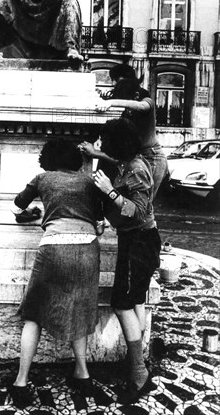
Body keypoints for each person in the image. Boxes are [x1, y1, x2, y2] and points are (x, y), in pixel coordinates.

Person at [9, 138, 104, 408]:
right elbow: (98, 225)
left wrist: (36, 214)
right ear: (75, 158)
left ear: (47, 158)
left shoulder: (42, 179)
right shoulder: (88, 182)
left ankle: (21, 381)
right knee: (81, 309)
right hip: (87, 248)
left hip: (53, 247)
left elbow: (17, 207)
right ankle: (82, 374)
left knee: (34, 313)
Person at [93, 118, 160, 404]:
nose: (101, 146)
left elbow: (139, 211)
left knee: (122, 304)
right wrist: (97, 155)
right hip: (133, 240)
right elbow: (114, 158)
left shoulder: (136, 169)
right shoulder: (127, 160)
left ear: (118, 145)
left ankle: (138, 372)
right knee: (134, 301)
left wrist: (109, 190)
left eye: (104, 142)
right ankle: (138, 362)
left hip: (139, 242)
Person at [95, 78, 168, 198]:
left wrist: (111, 102)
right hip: (135, 159)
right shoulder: (126, 113)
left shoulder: (147, 102)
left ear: (136, 95)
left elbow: (141, 106)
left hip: (152, 158)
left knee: (144, 203)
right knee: (134, 202)